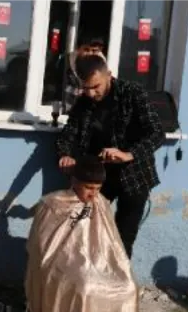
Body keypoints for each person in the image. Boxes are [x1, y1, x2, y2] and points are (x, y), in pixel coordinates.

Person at [22, 157, 138, 312]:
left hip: (98, 262)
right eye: (88, 188)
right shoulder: (53, 203)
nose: (93, 194)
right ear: (74, 181)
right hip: (62, 263)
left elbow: (112, 244)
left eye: (97, 189)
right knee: (85, 286)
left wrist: (110, 267)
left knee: (127, 287)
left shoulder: (101, 203)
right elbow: (42, 248)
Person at [55, 54, 165, 258]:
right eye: (85, 87)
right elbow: (68, 134)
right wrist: (65, 154)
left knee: (124, 238)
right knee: (86, 229)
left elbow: (157, 133)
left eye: (95, 86)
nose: (90, 93)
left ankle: (119, 286)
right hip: (98, 175)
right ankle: (89, 282)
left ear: (109, 76)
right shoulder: (84, 102)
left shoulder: (132, 93)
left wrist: (128, 154)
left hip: (134, 177)